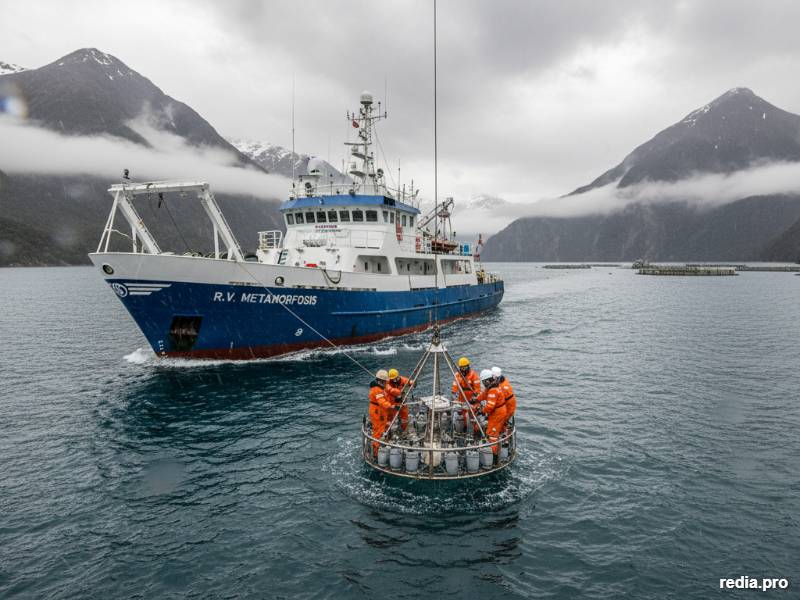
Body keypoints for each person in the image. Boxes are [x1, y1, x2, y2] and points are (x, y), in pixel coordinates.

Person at [478, 369, 507, 456]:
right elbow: (483, 395)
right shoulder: (493, 387)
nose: (483, 383)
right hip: (498, 412)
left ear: (487, 380)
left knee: (492, 434)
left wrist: (482, 411)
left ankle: (493, 455)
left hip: (497, 414)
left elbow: (490, 406)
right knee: (495, 430)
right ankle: (500, 446)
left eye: (483, 381)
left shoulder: (493, 390)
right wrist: (475, 399)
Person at [368, 370, 396, 455]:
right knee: (378, 431)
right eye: (385, 381)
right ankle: (376, 453)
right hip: (377, 411)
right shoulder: (377, 390)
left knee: (382, 426)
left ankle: (379, 446)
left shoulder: (379, 388)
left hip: (379, 410)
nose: (386, 383)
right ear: (381, 381)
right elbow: (381, 401)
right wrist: (391, 406)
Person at [451, 356, 481, 427]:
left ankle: (473, 429)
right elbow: (454, 388)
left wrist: (473, 400)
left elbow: (477, 391)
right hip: (461, 399)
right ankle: (461, 427)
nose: (463, 369)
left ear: (468, 366)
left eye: (464, 367)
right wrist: (454, 398)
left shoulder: (474, 376)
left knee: (472, 415)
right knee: (460, 414)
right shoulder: (457, 375)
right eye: (461, 368)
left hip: (472, 400)